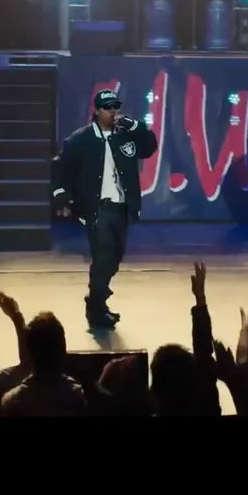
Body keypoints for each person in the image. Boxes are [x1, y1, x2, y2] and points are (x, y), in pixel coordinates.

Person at [51, 90, 159, 328]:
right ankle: (96, 309)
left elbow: (150, 147)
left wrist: (136, 126)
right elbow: (60, 168)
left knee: (115, 258)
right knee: (103, 257)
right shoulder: (81, 139)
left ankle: (96, 301)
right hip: (96, 209)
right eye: (108, 107)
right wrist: (62, 198)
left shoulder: (125, 136)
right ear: (97, 110)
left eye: (115, 107)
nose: (113, 111)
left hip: (121, 208)